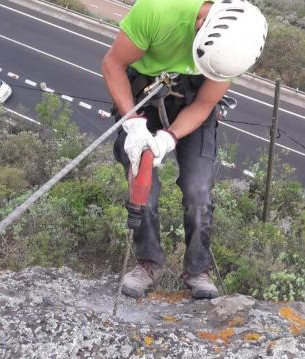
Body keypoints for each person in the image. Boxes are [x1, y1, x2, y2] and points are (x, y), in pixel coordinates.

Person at [102, 0, 268, 299]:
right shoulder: (158, 10)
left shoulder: (234, 44)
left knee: (198, 190)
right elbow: (113, 64)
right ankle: (148, 263)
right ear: (201, 26)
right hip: (143, 96)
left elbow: (205, 104)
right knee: (143, 182)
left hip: (192, 105)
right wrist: (133, 123)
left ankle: (197, 270)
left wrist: (170, 137)